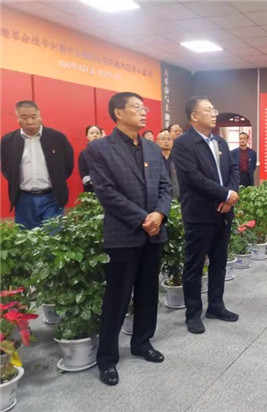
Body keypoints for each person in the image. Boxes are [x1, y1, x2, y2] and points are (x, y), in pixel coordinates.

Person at [87, 92, 172, 386]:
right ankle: (107, 358)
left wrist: (159, 214)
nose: (144, 112)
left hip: (154, 233)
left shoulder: (152, 148)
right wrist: (142, 218)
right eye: (137, 107)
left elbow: (165, 187)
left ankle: (142, 343)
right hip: (123, 234)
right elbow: (106, 192)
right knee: (117, 297)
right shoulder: (99, 149)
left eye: (144, 107)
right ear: (118, 113)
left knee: (148, 292)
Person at [172, 96, 240, 334]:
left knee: (219, 262)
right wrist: (225, 194)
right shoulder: (183, 144)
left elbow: (233, 170)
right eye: (208, 110)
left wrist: (230, 196)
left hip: (223, 213)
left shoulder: (220, 142)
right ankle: (193, 313)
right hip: (199, 214)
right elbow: (193, 177)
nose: (214, 114)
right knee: (194, 265)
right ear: (194, 116)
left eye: (214, 110)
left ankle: (216, 306)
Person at [0, 100, 74, 229]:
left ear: (39, 115)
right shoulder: (8, 141)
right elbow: (7, 168)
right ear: (17, 118)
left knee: (53, 237)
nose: (30, 122)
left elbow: (67, 166)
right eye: (24, 118)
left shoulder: (57, 138)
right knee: (27, 237)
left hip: (52, 197)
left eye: (33, 117)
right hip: (23, 200)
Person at [78, 125, 102, 193]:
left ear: (101, 135)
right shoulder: (84, 154)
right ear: (87, 136)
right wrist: (93, 182)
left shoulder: (108, 152)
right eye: (92, 133)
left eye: (97, 133)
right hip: (91, 189)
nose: (95, 135)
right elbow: (83, 172)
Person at [156, 130, 179, 199]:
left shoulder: (178, 158)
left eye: (169, 139)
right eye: (163, 139)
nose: (166, 141)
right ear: (157, 142)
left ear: (172, 142)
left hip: (177, 196)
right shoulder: (153, 158)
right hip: (159, 196)